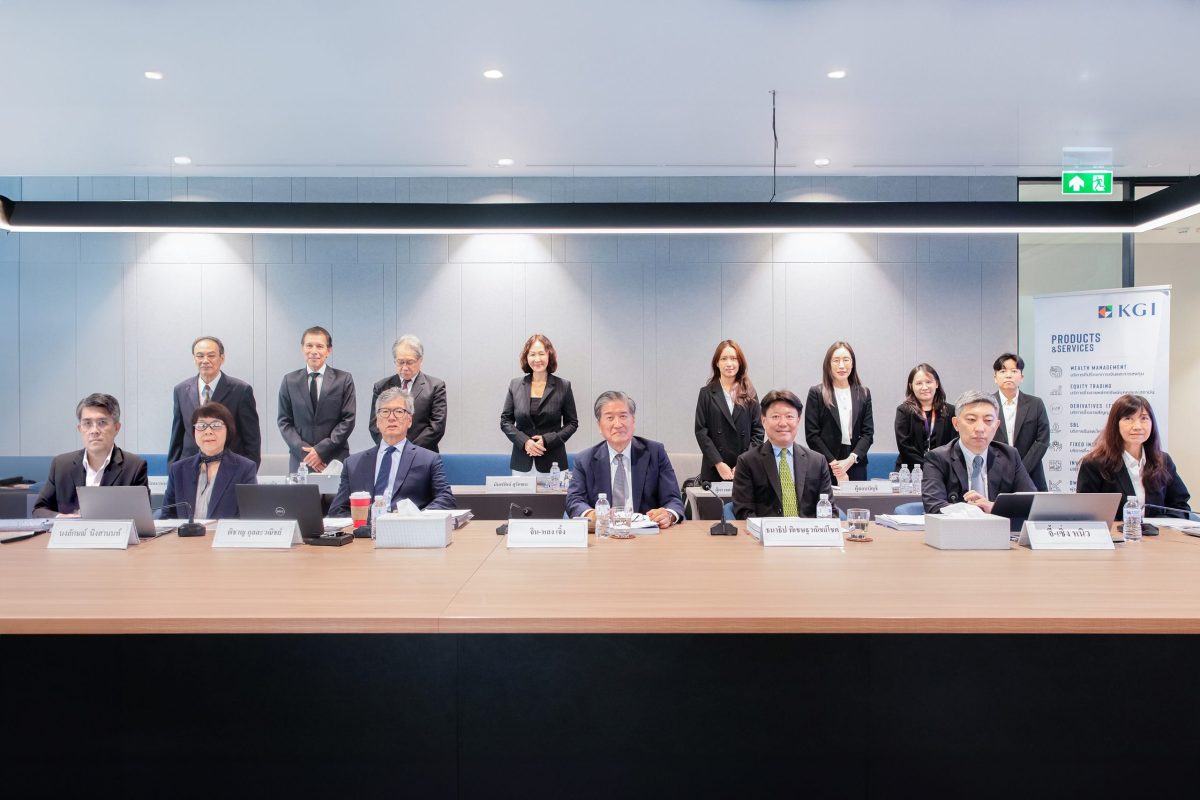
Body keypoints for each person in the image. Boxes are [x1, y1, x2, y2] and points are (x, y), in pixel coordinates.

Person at [565, 391, 684, 528]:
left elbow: (673, 499)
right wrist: (592, 514)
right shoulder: (585, 460)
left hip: (646, 533)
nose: (618, 424)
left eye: (623, 416)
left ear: (633, 420)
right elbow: (574, 500)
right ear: (599, 425)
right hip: (604, 533)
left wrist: (668, 514)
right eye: (610, 418)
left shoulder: (655, 452)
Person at [330, 387, 455, 515]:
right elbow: (337, 510)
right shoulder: (353, 464)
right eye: (385, 412)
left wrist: (414, 517)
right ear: (377, 421)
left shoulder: (429, 460)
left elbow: (446, 499)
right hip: (366, 526)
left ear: (409, 420)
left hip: (408, 525)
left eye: (399, 411)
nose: (391, 417)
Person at [1076, 394, 1190, 521]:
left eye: (1144, 418)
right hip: (1114, 533)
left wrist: (1153, 525)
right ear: (1116, 424)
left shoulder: (1163, 461)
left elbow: (1181, 507)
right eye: (1128, 418)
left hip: (1156, 533)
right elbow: (1086, 514)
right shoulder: (1094, 464)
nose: (1137, 426)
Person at [33, 393, 149, 517]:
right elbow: (39, 509)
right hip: (71, 529)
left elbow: (141, 517)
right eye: (87, 423)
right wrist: (62, 519)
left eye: (102, 422)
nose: (94, 431)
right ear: (80, 429)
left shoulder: (134, 467)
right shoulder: (61, 465)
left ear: (116, 427)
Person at [922, 389, 1037, 514]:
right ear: (956, 424)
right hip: (959, 526)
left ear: (997, 425)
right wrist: (975, 510)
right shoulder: (937, 458)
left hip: (1000, 526)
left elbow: (1032, 503)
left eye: (988, 420)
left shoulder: (1009, 456)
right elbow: (934, 506)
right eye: (971, 420)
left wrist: (994, 507)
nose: (980, 428)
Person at [732, 389, 833, 519]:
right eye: (775, 416)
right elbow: (744, 511)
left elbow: (829, 509)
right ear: (763, 420)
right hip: (766, 531)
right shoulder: (747, 462)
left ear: (798, 420)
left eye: (789, 416)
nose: (783, 423)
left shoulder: (817, 461)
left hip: (807, 531)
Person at [168, 335, 261, 466]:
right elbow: (177, 436)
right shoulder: (181, 390)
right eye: (200, 356)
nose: (205, 360)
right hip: (189, 466)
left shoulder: (241, 390)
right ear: (194, 359)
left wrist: (248, 472)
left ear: (222, 358)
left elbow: (252, 440)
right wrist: (172, 468)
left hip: (229, 467)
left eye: (211, 355)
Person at [277, 326, 356, 473]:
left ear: (328, 350)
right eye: (309, 345)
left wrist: (320, 451)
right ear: (302, 348)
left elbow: (348, 420)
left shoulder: (343, 379)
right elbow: (284, 422)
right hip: (301, 460)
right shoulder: (289, 381)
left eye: (319, 346)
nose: (314, 351)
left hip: (335, 458)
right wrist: (308, 455)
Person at [162, 402, 258, 520]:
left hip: (223, 532)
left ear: (228, 430)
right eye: (201, 426)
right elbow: (166, 516)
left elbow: (248, 517)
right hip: (185, 532)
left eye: (216, 425)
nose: (208, 431)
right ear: (194, 432)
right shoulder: (178, 469)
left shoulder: (245, 468)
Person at [500, 334, 579, 477]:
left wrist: (547, 440)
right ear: (526, 357)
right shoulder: (515, 385)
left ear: (549, 355)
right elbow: (505, 421)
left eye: (541, 353)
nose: (537, 359)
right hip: (522, 463)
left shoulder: (563, 386)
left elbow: (572, 423)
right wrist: (525, 442)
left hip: (554, 463)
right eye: (532, 354)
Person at [694, 339, 764, 482]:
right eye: (724, 359)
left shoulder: (750, 393)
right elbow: (701, 431)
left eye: (733, 358)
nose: (729, 363)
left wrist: (743, 463)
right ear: (717, 363)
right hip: (714, 469)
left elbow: (758, 433)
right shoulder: (706, 393)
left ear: (740, 362)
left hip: (745, 469)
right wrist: (718, 463)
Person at [805, 341, 874, 483]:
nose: (841, 365)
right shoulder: (817, 393)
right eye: (836, 360)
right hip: (827, 463)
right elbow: (812, 435)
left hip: (856, 463)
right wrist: (835, 466)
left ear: (852, 363)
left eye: (846, 360)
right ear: (828, 364)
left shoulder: (863, 393)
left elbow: (868, 433)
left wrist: (851, 459)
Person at [369, 334, 447, 452]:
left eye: (410, 362)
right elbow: (375, 424)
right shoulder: (381, 387)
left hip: (423, 453)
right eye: (400, 362)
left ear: (420, 360)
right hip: (390, 452)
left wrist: (408, 449)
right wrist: (392, 447)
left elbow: (437, 427)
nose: (404, 367)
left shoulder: (435, 387)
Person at [992, 352, 1051, 491]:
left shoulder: (1035, 404)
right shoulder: (987, 404)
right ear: (995, 378)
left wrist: (1021, 469)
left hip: (1031, 474)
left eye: (1014, 371)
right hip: (996, 473)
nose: (1008, 375)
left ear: (1022, 377)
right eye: (1003, 371)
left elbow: (1042, 440)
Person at [894, 363, 955, 471]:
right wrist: (927, 466)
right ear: (911, 386)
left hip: (942, 469)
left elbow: (953, 444)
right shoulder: (904, 411)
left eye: (928, 382)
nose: (924, 387)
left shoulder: (950, 411)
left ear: (937, 384)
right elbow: (904, 446)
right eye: (919, 383)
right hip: (910, 470)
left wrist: (938, 466)